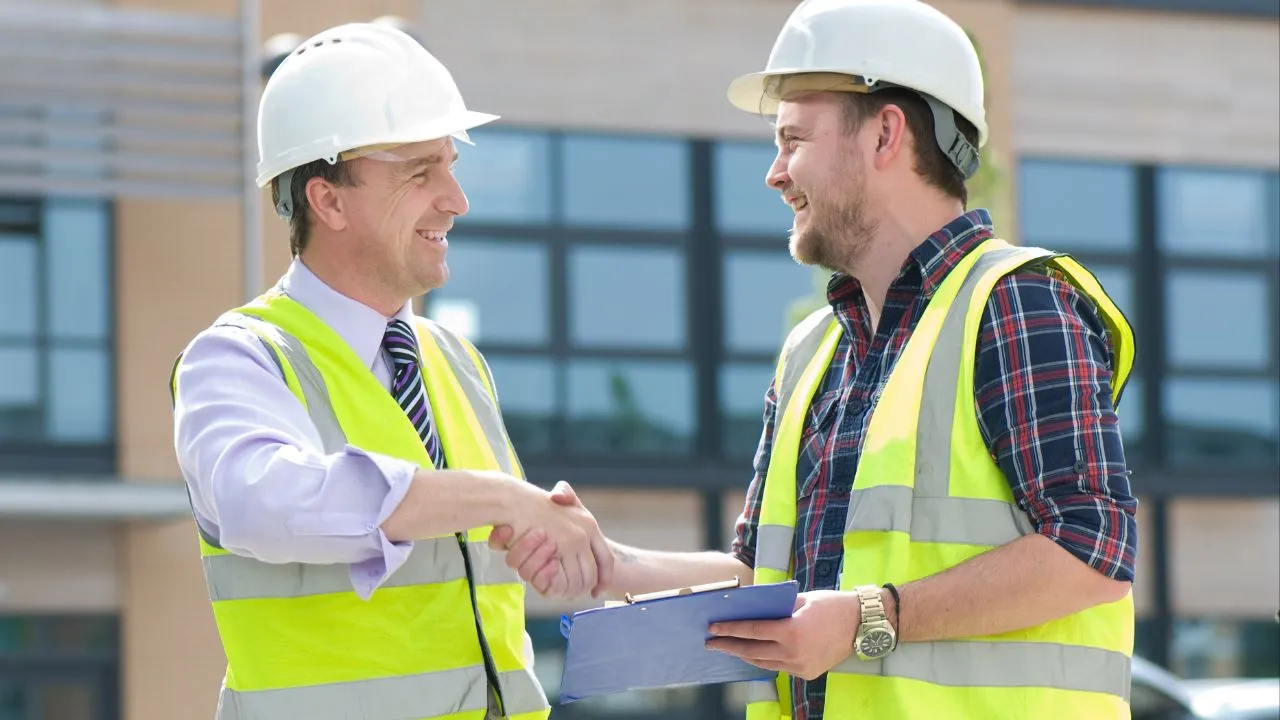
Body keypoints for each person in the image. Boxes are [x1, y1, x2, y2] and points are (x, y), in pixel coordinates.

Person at [490, 1, 1139, 718]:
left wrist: (871, 616)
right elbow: (763, 576)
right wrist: (616, 566)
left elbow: (1091, 550)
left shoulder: (1016, 303)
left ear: (885, 133)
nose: (775, 173)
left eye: (793, 139)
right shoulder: (814, 351)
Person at [169, 22, 612, 720]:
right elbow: (262, 501)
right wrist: (500, 497)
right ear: (329, 200)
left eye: (451, 164)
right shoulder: (239, 358)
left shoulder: (455, 360)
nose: (456, 199)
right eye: (420, 172)